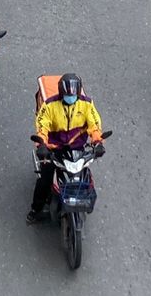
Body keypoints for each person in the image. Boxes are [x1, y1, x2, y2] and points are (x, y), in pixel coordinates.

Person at [28, 74, 103, 224]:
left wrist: (98, 142)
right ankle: (35, 210)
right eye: (68, 94)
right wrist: (42, 144)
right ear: (61, 93)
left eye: (74, 94)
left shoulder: (87, 104)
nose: (71, 97)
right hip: (55, 149)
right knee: (45, 179)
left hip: (77, 149)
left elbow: (94, 124)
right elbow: (42, 125)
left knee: (84, 176)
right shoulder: (49, 105)